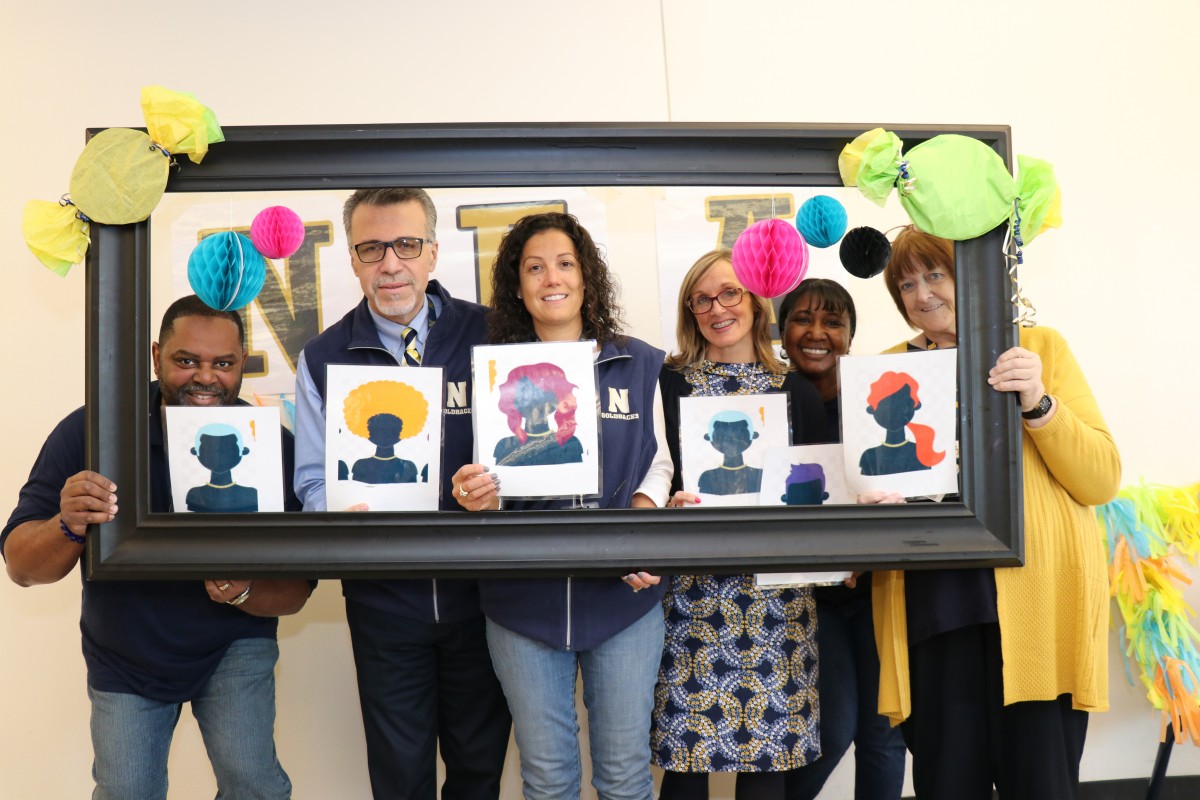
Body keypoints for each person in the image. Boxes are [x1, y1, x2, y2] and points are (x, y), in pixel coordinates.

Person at [2, 294, 312, 800]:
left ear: (242, 367)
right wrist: (69, 522)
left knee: (254, 783)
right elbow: (20, 566)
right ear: (155, 357)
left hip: (233, 643)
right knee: (126, 792)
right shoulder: (93, 429)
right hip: (125, 648)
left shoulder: (270, 446)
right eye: (186, 360)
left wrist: (243, 592)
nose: (206, 377)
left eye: (224, 364)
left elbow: (297, 590)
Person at [871, 227, 1121, 799]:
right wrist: (871, 497)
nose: (921, 294)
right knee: (946, 783)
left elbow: (1101, 477)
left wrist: (1039, 403)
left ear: (975, 275)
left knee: (1042, 783)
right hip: (933, 607)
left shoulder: (1039, 348)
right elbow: (866, 484)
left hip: (1037, 606)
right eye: (906, 283)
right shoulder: (885, 370)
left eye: (935, 274)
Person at [292, 188, 511, 800]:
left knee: (479, 769)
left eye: (406, 245)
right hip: (384, 601)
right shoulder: (321, 357)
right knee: (399, 775)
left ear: (433, 252)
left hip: (484, 596)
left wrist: (498, 486)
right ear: (353, 260)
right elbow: (310, 480)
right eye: (372, 248)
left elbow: (530, 450)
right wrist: (340, 511)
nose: (391, 264)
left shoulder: (493, 334)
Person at [450, 211, 672, 800]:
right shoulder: (488, 371)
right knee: (547, 778)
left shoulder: (639, 361)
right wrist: (477, 497)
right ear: (518, 286)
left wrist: (643, 527)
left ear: (587, 276)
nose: (553, 277)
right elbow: (483, 482)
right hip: (522, 601)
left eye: (566, 263)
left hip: (624, 597)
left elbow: (660, 462)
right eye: (535, 266)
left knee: (625, 775)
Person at [652, 249, 830, 800]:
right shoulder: (666, 383)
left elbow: (821, 491)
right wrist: (666, 506)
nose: (716, 307)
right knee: (686, 761)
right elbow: (649, 473)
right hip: (692, 594)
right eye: (701, 299)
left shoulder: (795, 388)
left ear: (755, 300)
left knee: (767, 766)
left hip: (777, 598)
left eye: (729, 293)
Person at [777, 278, 906, 800]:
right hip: (806, 595)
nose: (817, 332)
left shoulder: (878, 402)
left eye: (834, 322)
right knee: (832, 730)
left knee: (883, 734)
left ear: (850, 336)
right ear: (781, 330)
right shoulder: (768, 403)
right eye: (803, 319)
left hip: (877, 588)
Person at [493, 361, 584, 466]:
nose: (535, 405)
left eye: (544, 395)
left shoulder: (570, 444)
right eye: (525, 396)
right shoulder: (505, 446)